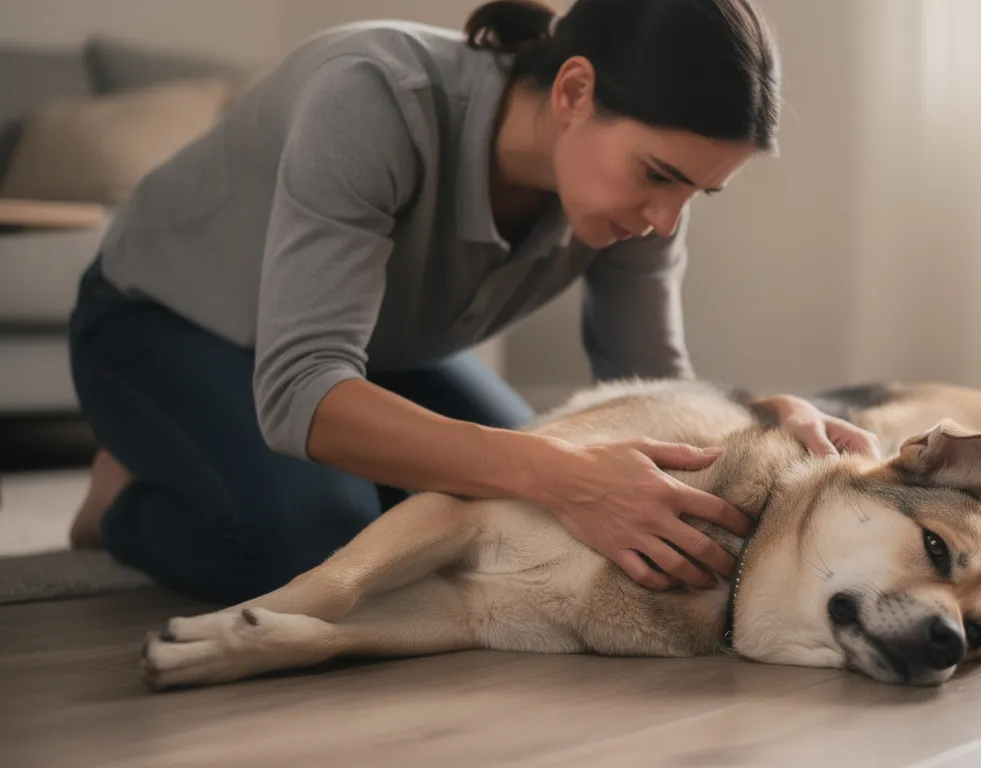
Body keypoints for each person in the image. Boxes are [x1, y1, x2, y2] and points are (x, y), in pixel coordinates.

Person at [66, 0, 881, 605]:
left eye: (700, 192)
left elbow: (648, 389)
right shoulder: (374, 97)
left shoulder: (643, 208)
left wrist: (759, 420)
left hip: (380, 352)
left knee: (498, 523)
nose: (665, 220)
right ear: (573, 92)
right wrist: (557, 475)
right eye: (660, 175)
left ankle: (220, 461)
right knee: (318, 538)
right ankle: (121, 507)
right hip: (162, 323)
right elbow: (300, 391)